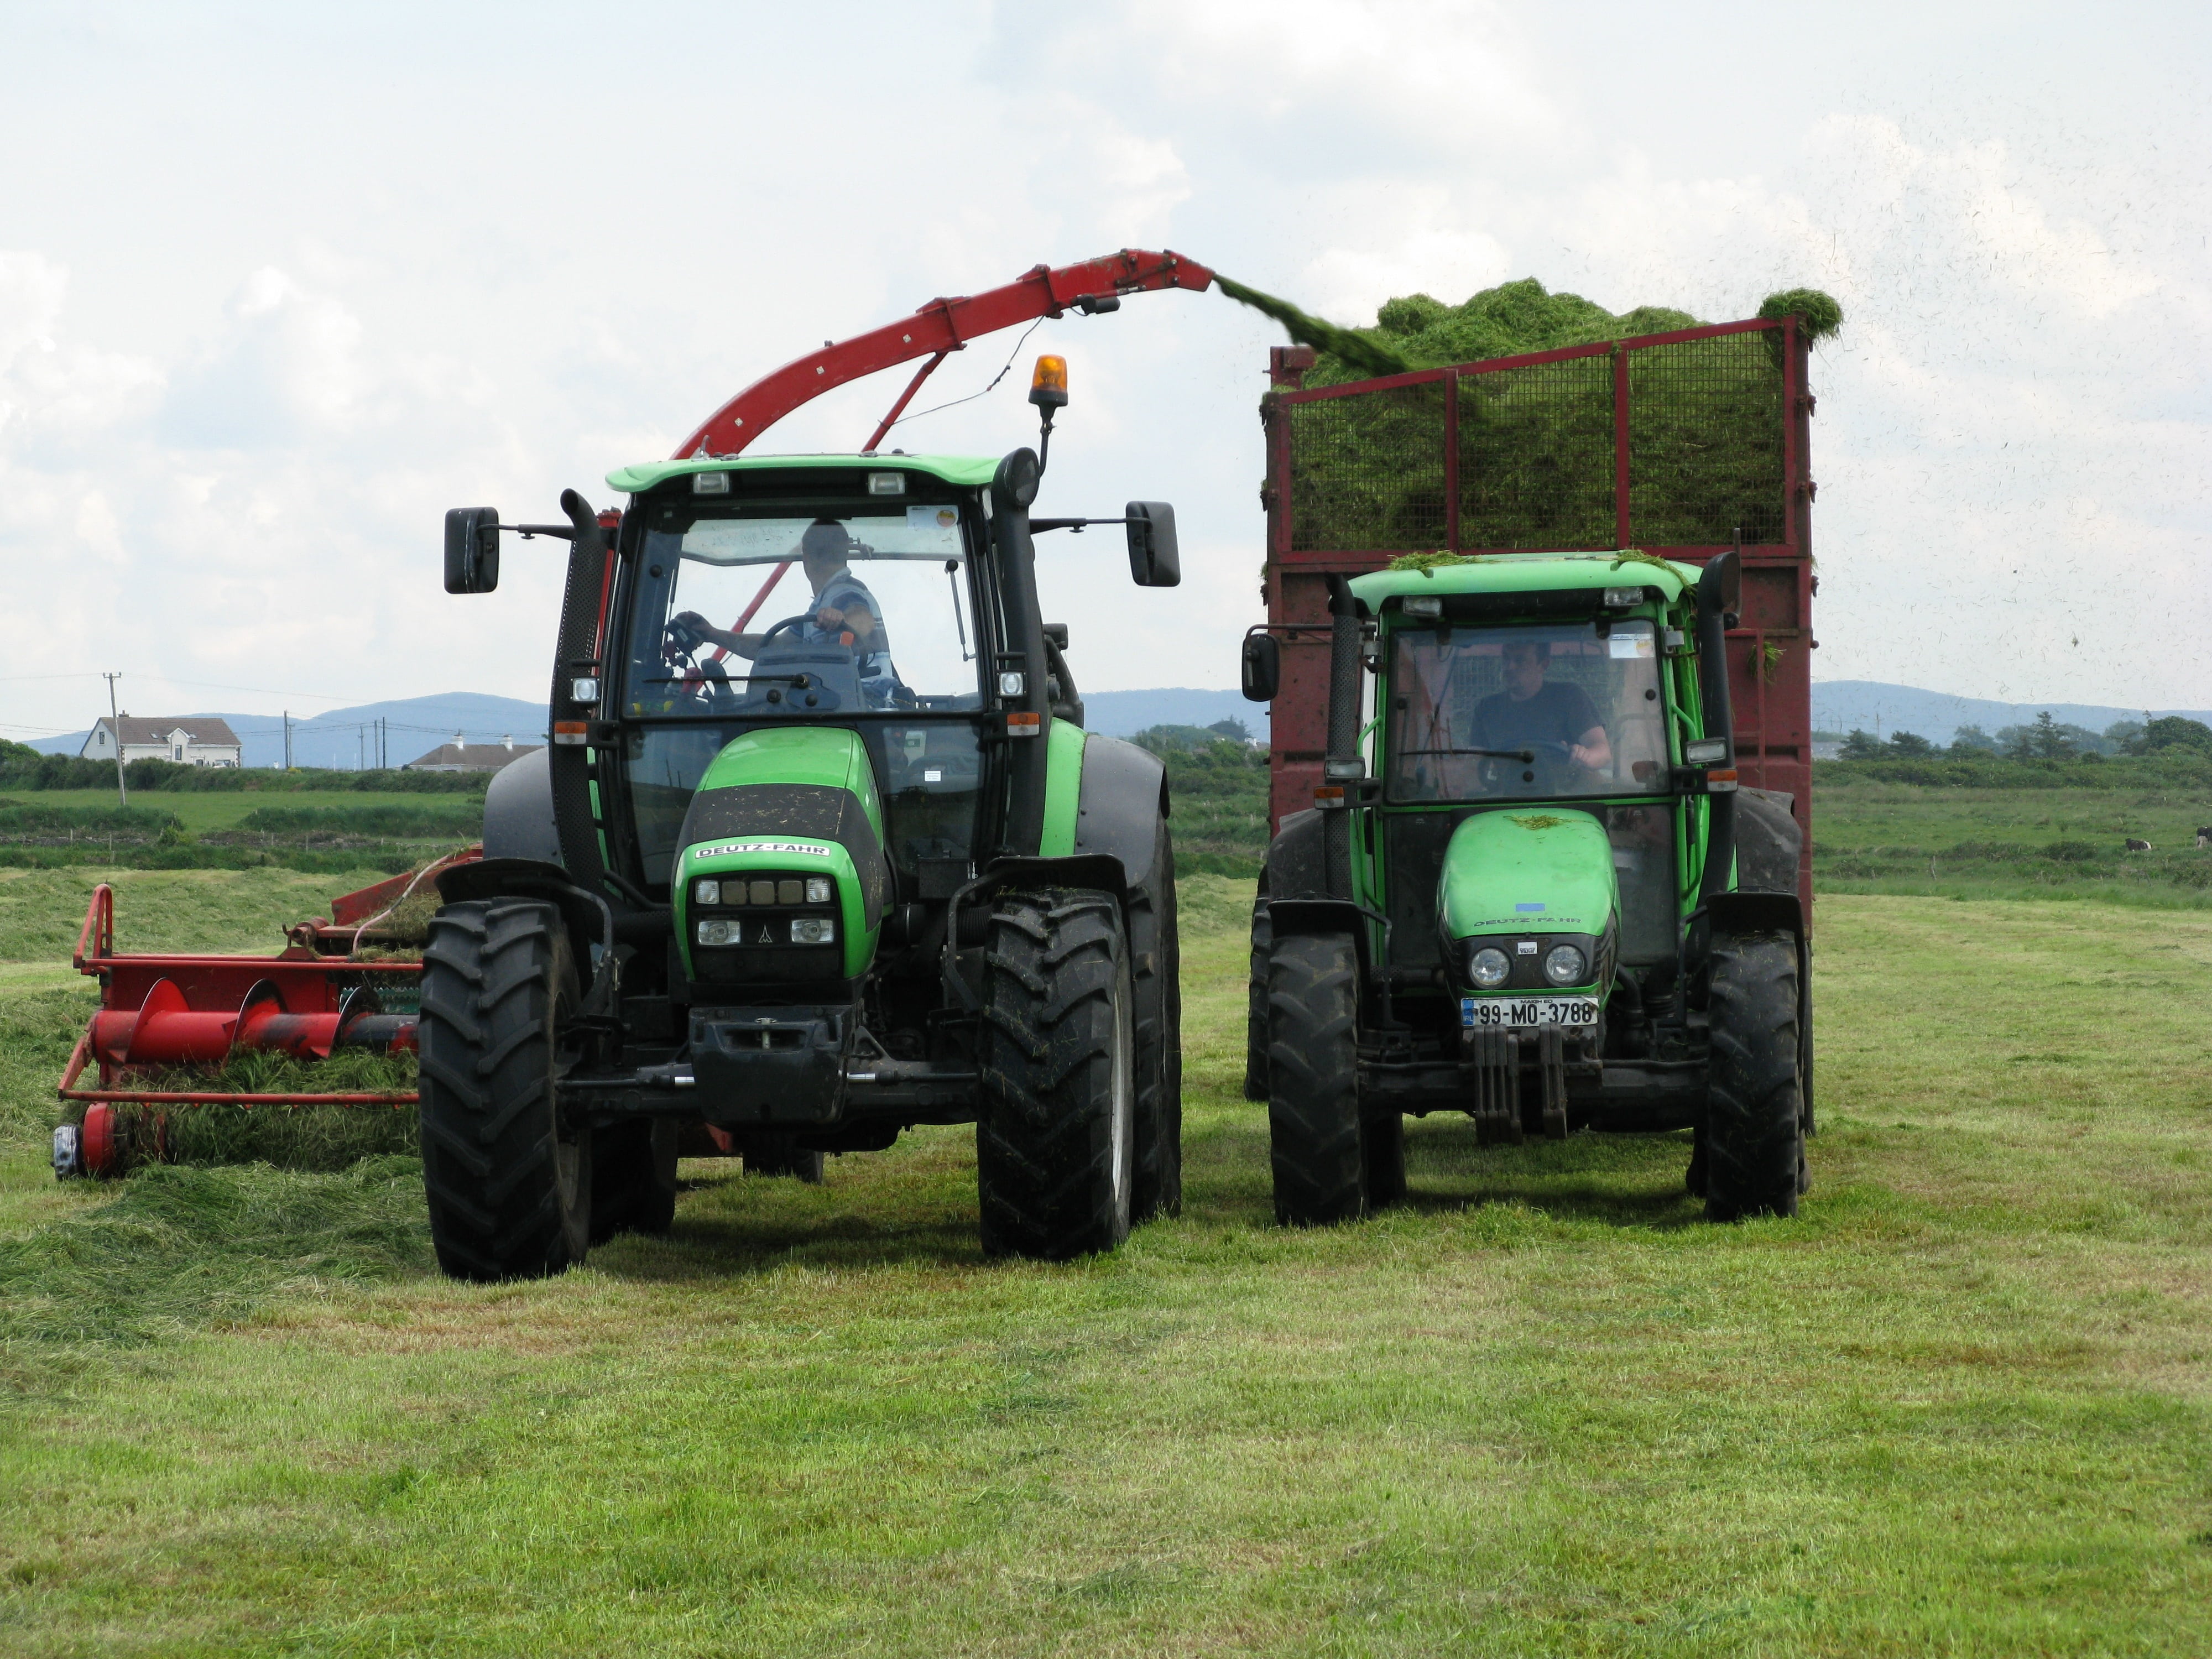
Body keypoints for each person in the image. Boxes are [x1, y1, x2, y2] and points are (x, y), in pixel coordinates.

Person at [670, 519, 902, 701]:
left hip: (864, 705)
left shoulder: (845, 592)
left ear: (806, 557)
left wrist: (841, 619)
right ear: (844, 555)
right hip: (838, 702)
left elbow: (862, 620)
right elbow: (771, 648)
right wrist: (711, 633)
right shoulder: (820, 607)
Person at [1469, 637, 1611, 781]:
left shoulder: (1569, 697)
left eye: (1520, 660)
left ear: (1543, 665)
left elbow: (1602, 752)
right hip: (1505, 798)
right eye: (1506, 658)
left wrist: (1584, 756)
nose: (1509, 666)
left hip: (1565, 796)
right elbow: (1474, 765)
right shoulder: (1486, 709)